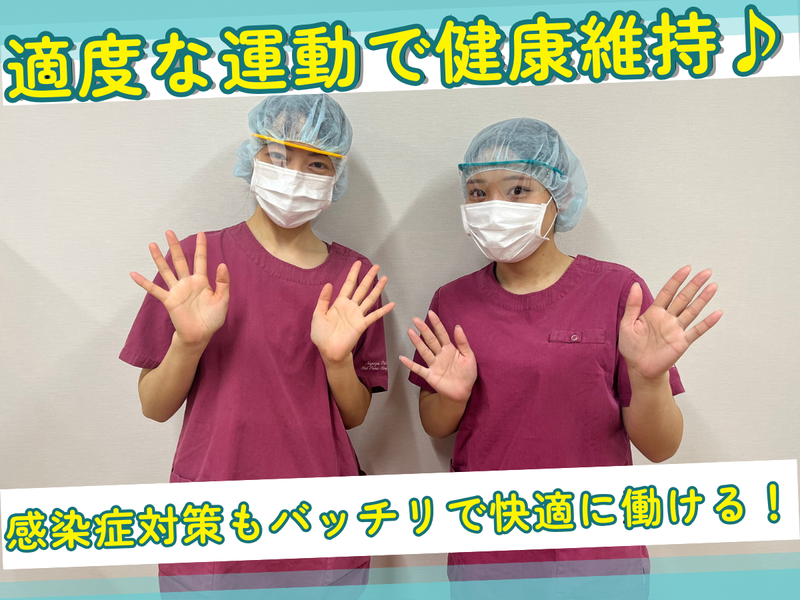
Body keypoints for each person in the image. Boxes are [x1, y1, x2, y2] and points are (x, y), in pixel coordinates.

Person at [400, 118, 722, 599]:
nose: (494, 207)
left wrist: (648, 379)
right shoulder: (453, 301)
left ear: (560, 195)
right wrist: (451, 398)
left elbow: (661, 447)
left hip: (596, 559)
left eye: (517, 189)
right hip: (489, 556)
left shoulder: (618, 292)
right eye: (478, 192)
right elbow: (435, 426)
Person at [120, 94, 393, 595]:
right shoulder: (195, 265)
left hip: (320, 517)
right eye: (279, 155)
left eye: (317, 163)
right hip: (214, 512)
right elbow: (154, 407)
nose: (295, 175)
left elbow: (353, 416)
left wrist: (336, 361)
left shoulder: (354, 281)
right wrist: (188, 343)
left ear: (337, 175)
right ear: (253, 157)